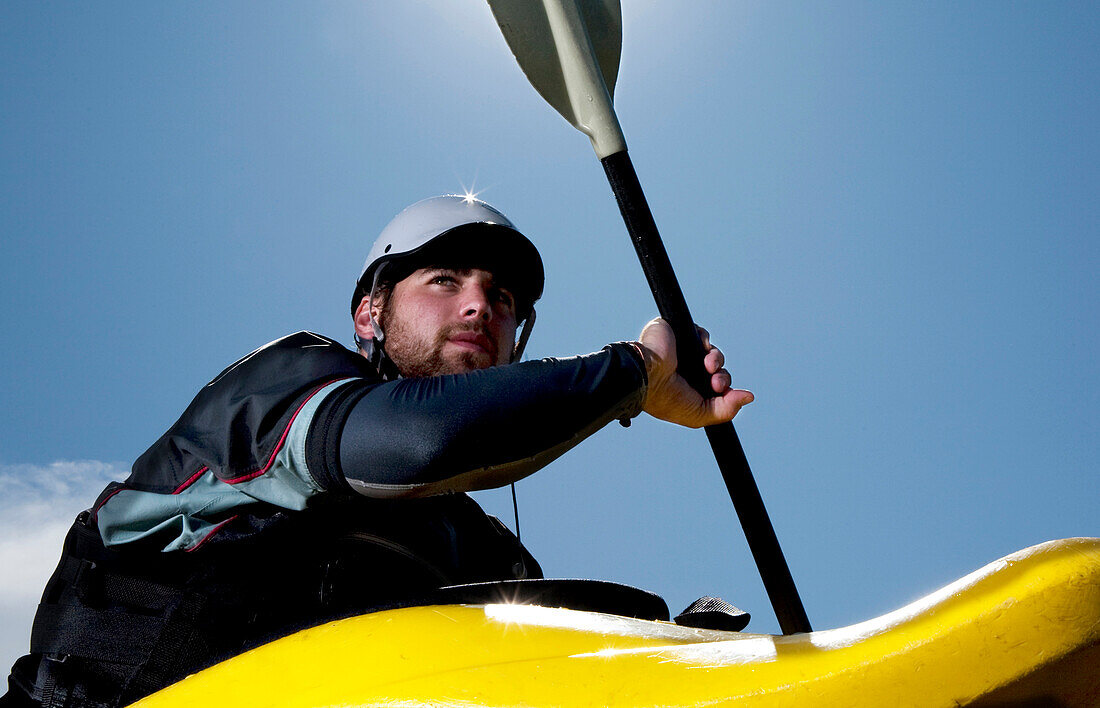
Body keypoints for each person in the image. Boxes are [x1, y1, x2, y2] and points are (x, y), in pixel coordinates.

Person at [3, 194, 752, 708]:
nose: (478, 307)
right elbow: (418, 440)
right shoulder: (282, 388)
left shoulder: (489, 556)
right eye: (444, 280)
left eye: (502, 300)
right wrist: (637, 373)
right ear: (371, 311)